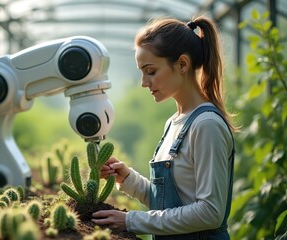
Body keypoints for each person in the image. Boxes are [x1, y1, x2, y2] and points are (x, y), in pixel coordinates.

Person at [91, 15, 237, 239]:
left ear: (182, 64)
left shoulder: (206, 125)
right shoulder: (174, 122)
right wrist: (127, 178)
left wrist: (132, 221)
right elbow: (168, 202)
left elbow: (210, 213)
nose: (144, 82)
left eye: (151, 71)